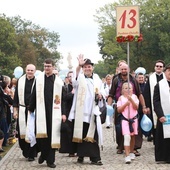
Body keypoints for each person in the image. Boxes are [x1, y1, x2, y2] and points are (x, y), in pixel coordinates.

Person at [68, 55, 104, 166]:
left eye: (89, 66)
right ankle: (81, 155)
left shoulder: (97, 78)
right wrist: (79, 66)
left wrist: (101, 95)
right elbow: (74, 79)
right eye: (85, 67)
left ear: (92, 68)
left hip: (93, 110)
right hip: (81, 111)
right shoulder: (80, 78)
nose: (87, 69)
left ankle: (95, 157)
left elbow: (103, 91)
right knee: (81, 133)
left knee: (93, 134)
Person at [29, 58, 64, 168]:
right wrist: (31, 107)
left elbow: (63, 98)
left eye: (49, 66)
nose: (47, 68)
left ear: (53, 67)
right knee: (41, 136)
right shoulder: (39, 79)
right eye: (45, 66)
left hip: (54, 112)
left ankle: (50, 160)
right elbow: (34, 94)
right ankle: (43, 154)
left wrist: (64, 112)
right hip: (41, 111)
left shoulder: (58, 81)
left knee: (52, 135)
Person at [107, 63, 148, 156]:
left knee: (135, 129)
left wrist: (144, 106)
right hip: (120, 105)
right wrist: (109, 106)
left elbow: (139, 94)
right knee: (119, 127)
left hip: (132, 106)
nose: (124, 71)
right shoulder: (116, 79)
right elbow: (111, 94)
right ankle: (121, 146)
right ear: (119, 69)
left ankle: (134, 148)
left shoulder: (133, 79)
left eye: (125, 69)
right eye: (122, 69)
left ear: (128, 69)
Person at [13, 64, 37, 161]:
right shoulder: (21, 81)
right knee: (22, 131)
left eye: (31, 70)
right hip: (22, 109)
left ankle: (32, 153)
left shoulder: (38, 81)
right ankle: (25, 150)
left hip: (33, 110)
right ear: (25, 70)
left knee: (32, 131)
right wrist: (15, 110)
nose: (30, 72)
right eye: (28, 70)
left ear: (34, 71)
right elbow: (16, 97)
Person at [143, 60, 165, 143]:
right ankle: (156, 141)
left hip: (165, 103)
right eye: (157, 66)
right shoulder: (150, 78)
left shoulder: (166, 77)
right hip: (154, 104)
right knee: (155, 123)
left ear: (163, 68)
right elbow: (146, 93)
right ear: (154, 67)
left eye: (160, 66)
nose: (158, 68)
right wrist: (147, 106)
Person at [117, 82, 139, 164]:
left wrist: (131, 100)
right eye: (126, 88)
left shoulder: (134, 97)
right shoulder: (121, 98)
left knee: (133, 136)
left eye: (129, 88)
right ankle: (127, 155)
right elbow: (119, 110)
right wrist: (126, 103)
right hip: (125, 119)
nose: (128, 90)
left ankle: (132, 151)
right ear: (122, 90)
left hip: (133, 119)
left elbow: (136, 107)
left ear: (132, 89)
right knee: (127, 136)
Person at [153, 63, 170, 163]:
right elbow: (156, 101)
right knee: (163, 137)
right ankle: (163, 157)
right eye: (169, 71)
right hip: (164, 116)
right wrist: (160, 115)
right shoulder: (159, 85)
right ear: (165, 72)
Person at [59, 71, 77, 157]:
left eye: (72, 76)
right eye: (69, 76)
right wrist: (72, 93)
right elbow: (64, 99)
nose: (71, 78)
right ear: (67, 78)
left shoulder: (79, 87)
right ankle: (71, 150)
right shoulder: (65, 88)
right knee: (69, 131)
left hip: (78, 112)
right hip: (68, 112)